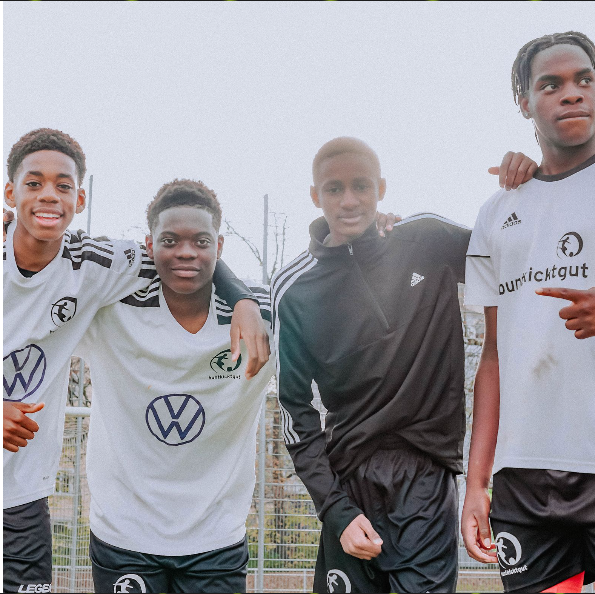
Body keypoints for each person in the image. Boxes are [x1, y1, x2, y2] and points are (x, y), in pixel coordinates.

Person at [2, 129, 269, 594]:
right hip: (114, 532)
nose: (48, 195)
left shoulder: (96, 268)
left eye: (62, 185)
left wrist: (241, 298)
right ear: (10, 193)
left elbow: (183, 255)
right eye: (34, 183)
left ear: (80, 198)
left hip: (19, 494)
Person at [271, 136, 537, 593]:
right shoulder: (295, 289)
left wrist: (531, 186)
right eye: (334, 189)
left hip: (425, 477)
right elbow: (295, 411)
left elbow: (515, 258)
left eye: (361, 186)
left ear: (381, 188)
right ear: (315, 196)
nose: (349, 200)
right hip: (349, 480)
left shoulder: (425, 239)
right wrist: (335, 511)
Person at [72, 179, 275, 594]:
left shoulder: (263, 317)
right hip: (123, 534)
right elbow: (50, 275)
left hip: (216, 537)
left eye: (201, 241)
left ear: (220, 246)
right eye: (170, 240)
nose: (185, 252)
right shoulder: (110, 307)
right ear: (148, 245)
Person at [461, 31, 595, 594]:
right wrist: (477, 482)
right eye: (551, 84)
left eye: (584, 80)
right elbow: (493, 357)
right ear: (524, 103)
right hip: (524, 475)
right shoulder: (497, 212)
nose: (572, 94)